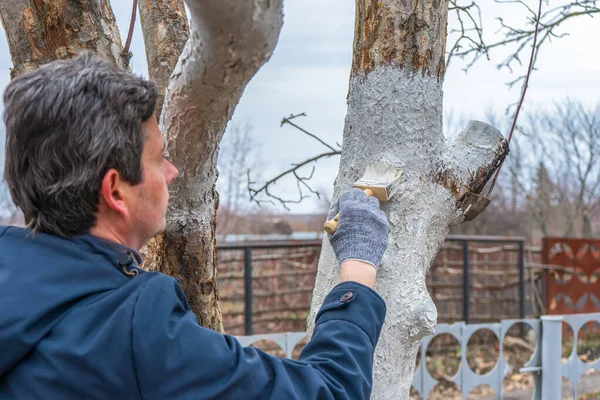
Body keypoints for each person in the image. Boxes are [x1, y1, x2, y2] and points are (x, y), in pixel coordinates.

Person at [0, 53, 390, 399]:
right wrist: (356, 272)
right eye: (158, 158)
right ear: (116, 192)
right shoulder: (139, 332)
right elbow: (330, 391)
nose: (171, 172)